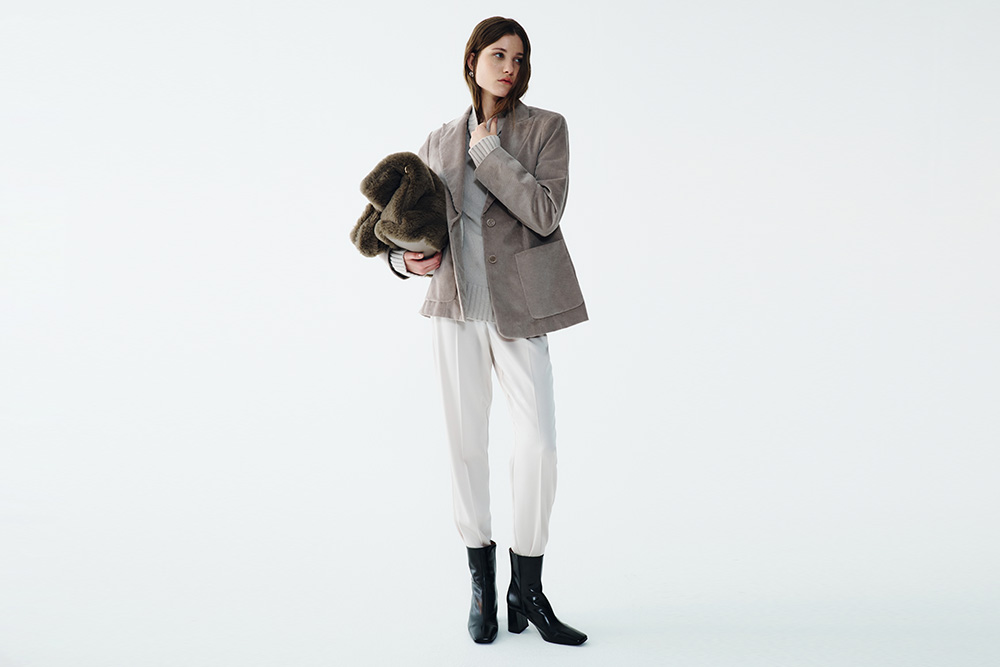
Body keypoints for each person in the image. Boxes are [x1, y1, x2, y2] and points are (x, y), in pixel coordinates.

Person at [383, 16, 588, 646]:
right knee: (466, 446)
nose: (509, 67)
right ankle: (481, 584)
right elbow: (412, 227)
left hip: (519, 310)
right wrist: (405, 260)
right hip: (456, 309)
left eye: (518, 58)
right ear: (472, 60)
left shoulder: (545, 129)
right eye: (498, 54)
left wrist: (491, 157)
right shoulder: (439, 140)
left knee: (539, 446)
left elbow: (545, 213)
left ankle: (528, 585)